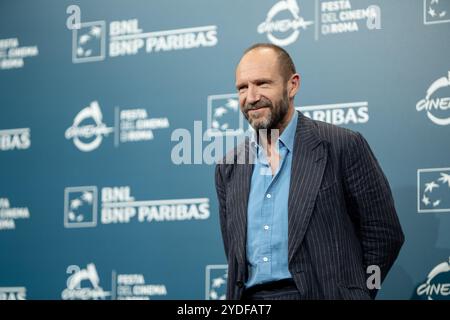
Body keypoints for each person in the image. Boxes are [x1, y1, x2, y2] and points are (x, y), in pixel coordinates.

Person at [214, 43, 404, 300]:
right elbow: (234, 253)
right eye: (242, 88)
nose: (251, 97)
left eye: (263, 83)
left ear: (292, 85)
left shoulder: (341, 145)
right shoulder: (229, 167)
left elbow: (384, 233)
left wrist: (358, 290)